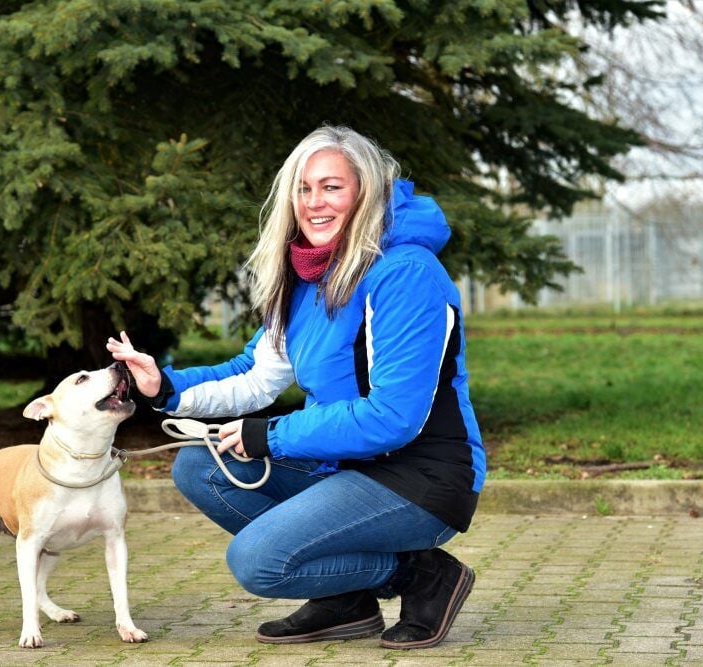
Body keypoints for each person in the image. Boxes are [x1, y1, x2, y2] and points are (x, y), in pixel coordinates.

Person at [106, 125, 485, 650]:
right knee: (201, 466)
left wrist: (272, 436)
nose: (314, 203)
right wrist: (163, 385)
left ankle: (420, 576)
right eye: (304, 189)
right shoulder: (312, 274)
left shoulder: (405, 274)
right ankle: (346, 602)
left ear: (366, 192)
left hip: (418, 477)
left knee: (259, 562)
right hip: (346, 465)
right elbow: (256, 374)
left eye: (332, 187)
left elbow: (393, 416)